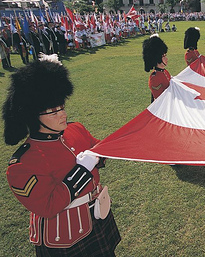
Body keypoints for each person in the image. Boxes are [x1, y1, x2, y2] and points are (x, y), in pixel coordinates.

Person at [2, 53, 121, 256]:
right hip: (64, 236)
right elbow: (48, 206)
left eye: (62, 107)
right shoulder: (22, 164)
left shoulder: (76, 129)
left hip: (97, 216)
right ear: (33, 115)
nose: (63, 114)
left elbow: (98, 150)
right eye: (53, 111)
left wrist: (105, 151)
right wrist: (82, 170)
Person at [142, 34, 171, 102]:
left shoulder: (165, 72)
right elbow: (160, 99)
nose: (166, 59)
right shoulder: (154, 78)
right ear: (157, 58)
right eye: (163, 56)